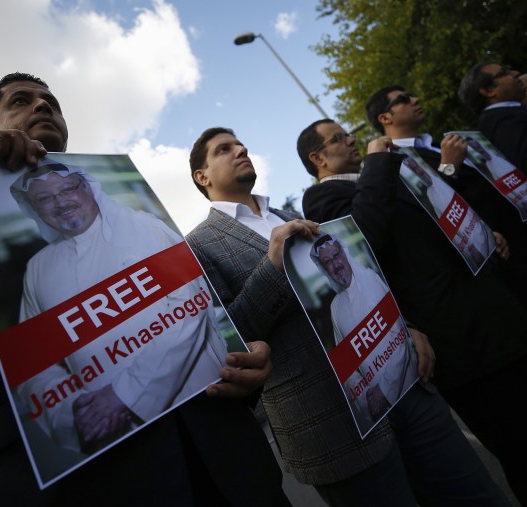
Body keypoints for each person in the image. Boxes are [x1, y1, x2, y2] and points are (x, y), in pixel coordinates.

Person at [0, 73, 292, 506]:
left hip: (229, 473)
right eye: (20, 101)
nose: (42, 105)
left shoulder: (148, 226)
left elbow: (201, 321)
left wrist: (241, 362)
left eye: (50, 102)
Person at [187, 126, 509, 506]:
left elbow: (356, 282)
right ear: (202, 177)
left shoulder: (290, 214)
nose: (240, 148)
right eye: (224, 149)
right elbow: (232, 340)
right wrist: (273, 268)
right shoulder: (196, 247)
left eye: (240, 143)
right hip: (332, 428)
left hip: (400, 386)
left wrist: (404, 327)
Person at [299, 117, 527, 506]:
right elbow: (366, 239)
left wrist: (479, 233)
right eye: (340, 138)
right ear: (318, 157)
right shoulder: (321, 200)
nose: (352, 140)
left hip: (499, 315)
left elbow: (436, 220)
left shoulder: (388, 175)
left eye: (350, 134)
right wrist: (377, 162)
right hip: (465, 345)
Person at [8, 161, 227, 456]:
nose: (60, 203)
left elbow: (190, 309)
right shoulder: (37, 270)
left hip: (205, 409)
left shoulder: (143, 228)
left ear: (87, 188)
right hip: (119, 444)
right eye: (45, 199)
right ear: (34, 210)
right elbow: (32, 364)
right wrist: (74, 409)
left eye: (67, 189)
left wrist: (124, 395)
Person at [367, 84, 527, 388]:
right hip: (505, 268)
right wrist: (448, 167)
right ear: (385, 117)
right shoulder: (395, 166)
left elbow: (488, 183)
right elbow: (436, 217)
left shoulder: (441, 141)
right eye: (404, 99)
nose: (416, 99)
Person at [309, 234, 415, 426]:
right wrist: (367, 398)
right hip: (381, 415)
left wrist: (383, 391)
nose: (336, 264)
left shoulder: (370, 279)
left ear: (344, 253)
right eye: (328, 262)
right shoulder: (335, 307)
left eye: (336, 255)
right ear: (324, 269)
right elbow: (346, 365)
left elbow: (400, 339)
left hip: (411, 392)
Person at [457, 62, 527, 221]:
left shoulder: (509, 113)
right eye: (504, 73)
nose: (515, 73)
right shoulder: (502, 122)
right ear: (488, 91)